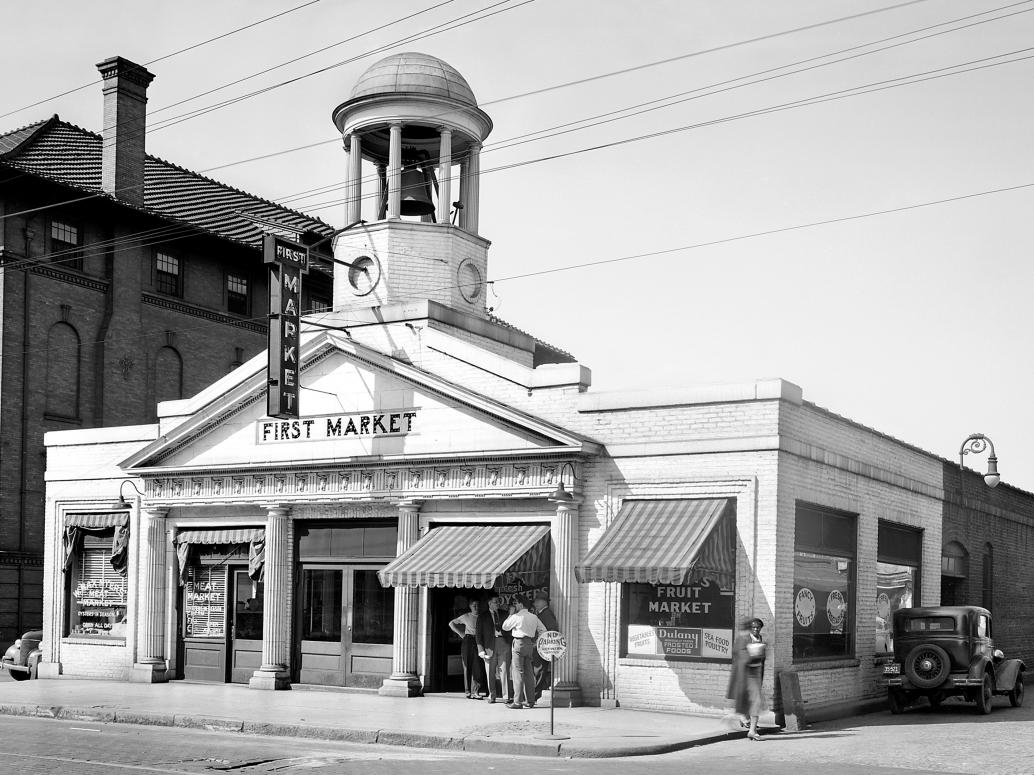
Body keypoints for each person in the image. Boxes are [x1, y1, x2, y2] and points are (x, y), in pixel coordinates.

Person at [501, 597, 545, 709]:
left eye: (516, 603)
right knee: (529, 673)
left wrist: (510, 614)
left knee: (518, 673)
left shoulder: (517, 616)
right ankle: (530, 700)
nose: (515, 605)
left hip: (519, 643)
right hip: (529, 643)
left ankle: (517, 702)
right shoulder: (534, 617)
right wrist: (536, 642)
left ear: (521, 604)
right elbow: (543, 630)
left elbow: (505, 627)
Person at [726, 617, 766, 740]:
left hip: (756, 673)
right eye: (753, 627)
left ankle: (747, 722)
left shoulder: (759, 638)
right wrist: (755, 653)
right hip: (747, 675)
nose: (755, 629)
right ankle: (751, 729)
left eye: (757, 627)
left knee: (752, 701)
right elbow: (742, 657)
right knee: (755, 702)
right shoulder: (743, 639)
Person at [475, 596, 512, 703]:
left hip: (503, 644)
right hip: (488, 647)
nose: (498, 604)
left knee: (504, 671)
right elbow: (478, 635)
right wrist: (480, 650)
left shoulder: (505, 614)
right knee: (490, 672)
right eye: (495, 602)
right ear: (489, 603)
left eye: (498, 602)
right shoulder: (482, 617)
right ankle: (492, 695)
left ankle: (506, 696)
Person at [449, 598, 485, 699]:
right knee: (467, 664)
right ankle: (468, 691)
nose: (476, 607)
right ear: (470, 606)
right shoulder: (466, 616)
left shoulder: (483, 617)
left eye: (477, 605)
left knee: (477, 666)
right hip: (468, 640)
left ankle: (476, 691)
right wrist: (461, 634)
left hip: (479, 641)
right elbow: (451, 623)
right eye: (474, 605)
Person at [531, 593, 558, 702]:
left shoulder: (546, 614)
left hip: (542, 648)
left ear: (544, 602)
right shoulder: (542, 613)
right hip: (539, 647)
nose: (535, 603)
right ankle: (533, 695)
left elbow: (551, 631)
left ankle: (534, 696)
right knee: (537, 671)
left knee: (539, 671)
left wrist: (541, 644)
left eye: (537, 601)